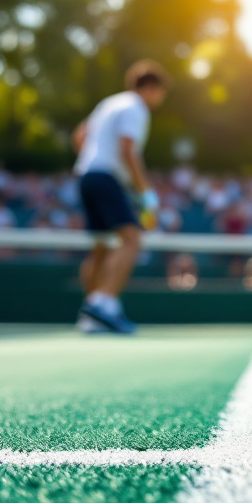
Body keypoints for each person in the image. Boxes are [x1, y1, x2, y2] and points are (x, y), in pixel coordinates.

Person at [72, 60, 170, 334]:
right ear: (151, 88)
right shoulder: (136, 108)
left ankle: (91, 316)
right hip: (105, 178)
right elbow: (128, 151)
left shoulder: (109, 103)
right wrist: (146, 196)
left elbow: (80, 136)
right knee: (132, 240)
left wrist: (93, 159)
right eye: (161, 92)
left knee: (101, 248)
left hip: (86, 176)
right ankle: (104, 304)